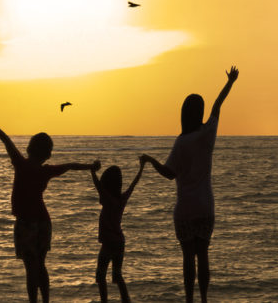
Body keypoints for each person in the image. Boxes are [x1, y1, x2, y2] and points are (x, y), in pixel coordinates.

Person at [142, 66, 239, 303]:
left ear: (184, 114)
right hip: (206, 206)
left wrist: (149, 159)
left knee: (188, 257)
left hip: (185, 209)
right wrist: (230, 82)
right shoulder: (208, 134)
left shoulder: (182, 142)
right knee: (203, 255)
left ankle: (189, 299)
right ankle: (204, 298)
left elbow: (168, 174)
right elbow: (218, 105)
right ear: (200, 113)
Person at [0, 124, 92, 302]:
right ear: (47, 153)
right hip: (44, 222)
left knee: (30, 267)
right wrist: (91, 167)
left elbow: (7, 141)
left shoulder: (21, 164)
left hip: (26, 223)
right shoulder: (45, 171)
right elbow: (71, 165)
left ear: (30, 147)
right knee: (40, 265)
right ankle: (45, 300)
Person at [89, 158, 145, 303]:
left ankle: (104, 301)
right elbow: (134, 184)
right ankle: (126, 300)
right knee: (117, 276)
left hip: (108, 243)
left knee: (101, 275)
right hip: (120, 242)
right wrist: (141, 168)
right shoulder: (121, 199)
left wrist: (92, 171)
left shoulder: (108, 200)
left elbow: (97, 187)